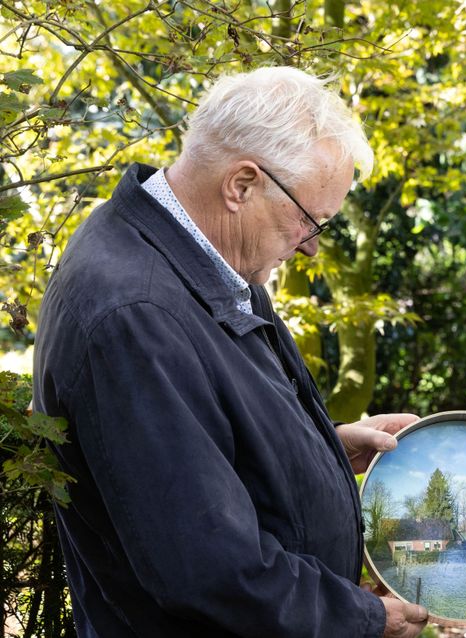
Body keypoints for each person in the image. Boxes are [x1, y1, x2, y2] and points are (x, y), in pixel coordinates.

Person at [32, 66, 427, 638]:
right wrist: (359, 618)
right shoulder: (136, 312)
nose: (312, 247)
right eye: (311, 219)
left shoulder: (192, 254)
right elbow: (205, 567)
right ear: (241, 185)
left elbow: (186, 455)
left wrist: (325, 450)